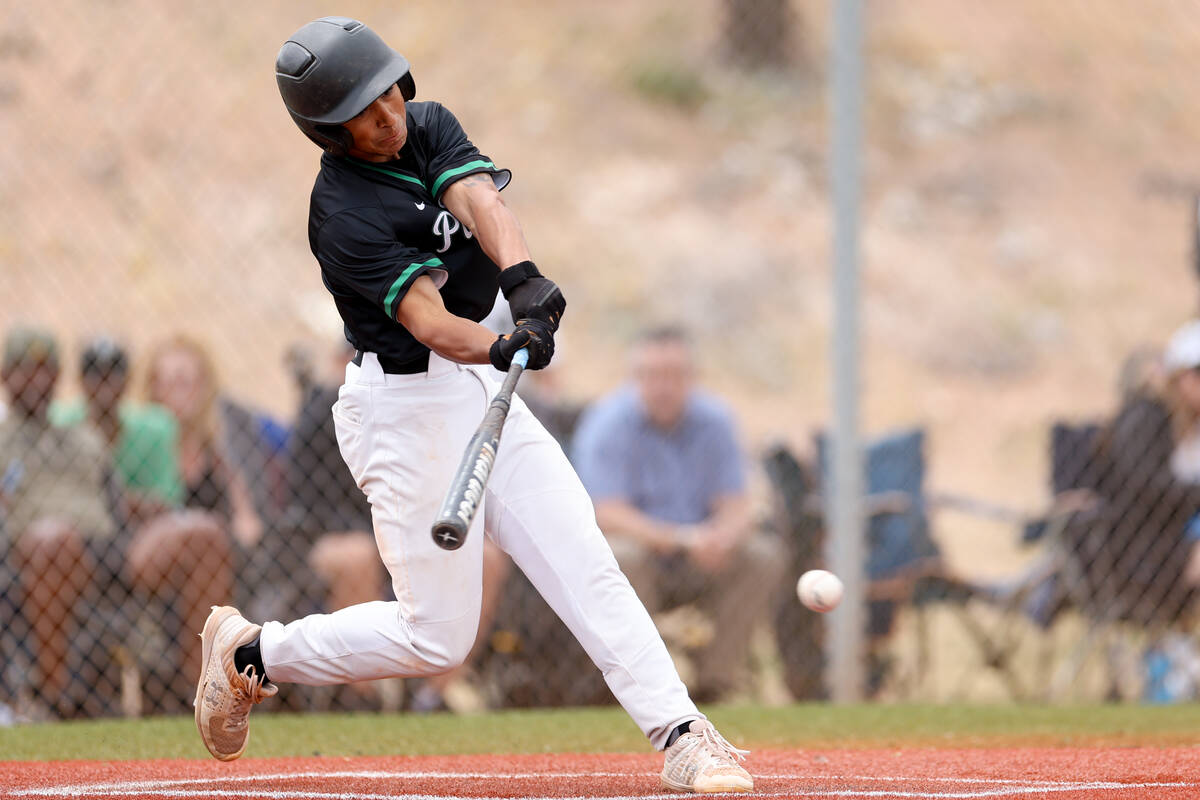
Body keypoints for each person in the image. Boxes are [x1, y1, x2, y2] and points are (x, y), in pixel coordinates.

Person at [193, 17, 752, 793]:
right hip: (401, 411)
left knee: (582, 558)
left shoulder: (424, 125)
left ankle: (684, 735)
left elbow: (477, 198)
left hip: (474, 390)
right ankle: (252, 654)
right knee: (437, 639)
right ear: (329, 133)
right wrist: (499, 346)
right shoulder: (344, 214)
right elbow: (427, 321)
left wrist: (521, 279)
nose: (388, 116)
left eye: (389, 93)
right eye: (365, 111)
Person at [572, 326, 786, 702]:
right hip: (643, 557)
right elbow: (605, 512)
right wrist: (680, 539)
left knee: (762, 555)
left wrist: (723, 536)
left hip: (700, 559)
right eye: (652, 376)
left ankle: (714, 683)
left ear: (692, 378)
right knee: (625, 555)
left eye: (674, 375)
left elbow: (737, 501)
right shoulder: (607, 423)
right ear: (634, 379)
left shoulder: (715, 420)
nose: (663, 386)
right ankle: (638, 686)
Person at [0, 327, 116, 716]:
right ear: (5, 377)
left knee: (199, 533)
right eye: (24, 370)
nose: (36, 380)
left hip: (100, 552)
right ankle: (54, 700)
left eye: (44, 370)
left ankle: (197, 695)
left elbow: (116, 500)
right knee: (54, 542)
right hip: (24, 559)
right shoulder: (3, 441)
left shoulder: (84, 438)